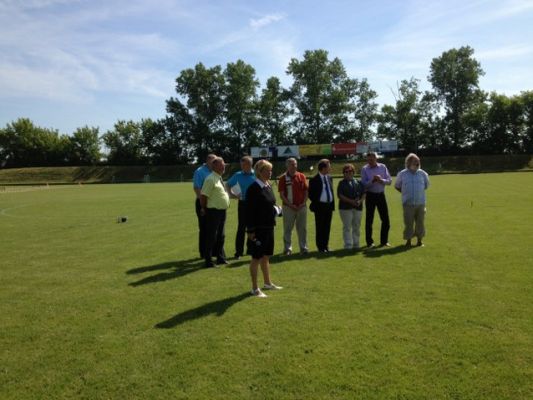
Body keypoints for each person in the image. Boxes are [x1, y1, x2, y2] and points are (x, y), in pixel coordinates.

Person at [245, 159, 283, 298]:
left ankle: (267, 283)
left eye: (271, 170)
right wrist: (250, 231)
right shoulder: (253, 188)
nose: (270, 173)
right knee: (256, 258)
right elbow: (249, 211)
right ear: (259, 172)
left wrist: (277, 210)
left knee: (266, 256)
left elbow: (269, 204)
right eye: (267, 170)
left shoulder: (267, 185)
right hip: (258, 229)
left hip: (269, 226)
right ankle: (255, 288)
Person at [200, 157, 230, 268]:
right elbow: (203, 196)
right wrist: (204, 208)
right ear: (215, 166)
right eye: (221, 165)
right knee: (211, 236)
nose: (224, 167)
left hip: (222, 211)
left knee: (221, 235)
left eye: (224, 164)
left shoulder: (219, 178)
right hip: (213, 211)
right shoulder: (210, 179)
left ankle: (220, 258)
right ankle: (208, 261)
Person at [394, 153, 430, 247]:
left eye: (418, 162)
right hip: (407, 203)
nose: (417, 164)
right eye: (415, 162)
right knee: (408, 223)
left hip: (420, 203)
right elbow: (397, 186)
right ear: (408, 162)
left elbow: (426, 186)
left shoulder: (423, 174)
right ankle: (408, 241)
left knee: (420, 223)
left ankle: (419, 241)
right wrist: (405, 193)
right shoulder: (402, 174)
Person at [225, 156, 255, 259]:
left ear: (250, 164)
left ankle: (250, 249)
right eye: (241, 165)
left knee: (252, 227)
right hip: (243, 203)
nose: (242, 167)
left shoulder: (257, 174)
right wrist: (232, 195)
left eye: (244, 164)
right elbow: (227, 184)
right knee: (241, 228)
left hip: (254, 204)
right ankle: (238, 252)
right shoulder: (238, 175)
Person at [278, 157, 309, 255]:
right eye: (292, 164)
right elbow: (282, 195)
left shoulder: (301, 176)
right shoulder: (283, 178)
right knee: (288, 229)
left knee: (302, 229)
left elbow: (306, 191)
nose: (294, 166)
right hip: (288, 208)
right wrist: (290, 205)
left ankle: (303, 248)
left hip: (301, 207)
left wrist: (303, 203)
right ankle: (288, 249)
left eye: (295, 164)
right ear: (287, 166)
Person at [361, 152, 392, 248]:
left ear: (376, 158)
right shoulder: (364, 169)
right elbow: (363, 184)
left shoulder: (383, 167)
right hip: (370, 196)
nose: (370, 161)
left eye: (371, 159)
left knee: (385, 219)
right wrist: (372, 181)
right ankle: (369, 242)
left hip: (381, 195)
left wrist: (381, 180)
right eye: (368, 160)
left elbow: (389, 181)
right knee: (369, 220)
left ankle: (384, 241)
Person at [192, 153, 217, 258]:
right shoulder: (200, 171)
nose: (215, 164)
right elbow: (197, 188)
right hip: (203, 202)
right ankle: (203, 253)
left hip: (214, 203)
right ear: (207, 161)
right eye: (213, 162)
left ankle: (213, 252)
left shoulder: (215, 171)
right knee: (204, 229)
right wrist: (203, 204)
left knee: (214, 228)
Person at [337, 163, 366, 249]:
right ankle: (348, 245)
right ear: (343, 173)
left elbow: (364, 193)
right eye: (346, 172)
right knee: (347, 227)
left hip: (358, 207)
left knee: (356, 226)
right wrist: (351, 202)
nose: (348, 173)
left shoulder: (359, 182)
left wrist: (360, 201)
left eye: (350, 171)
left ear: (353, 172)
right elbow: (340, 195)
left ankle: (356, 244)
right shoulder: (341, 183)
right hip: (345, 208)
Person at [308, 159, 335, 252]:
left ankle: (326, 246)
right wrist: (318, 202)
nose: (330, 168)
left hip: (329, 206)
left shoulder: (330, 178)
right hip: (320, 207)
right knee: (320, 227)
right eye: (329, 167)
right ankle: (320, 247)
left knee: (327, 227)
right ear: (323, 168)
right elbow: (311, 194)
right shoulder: (314, 180)